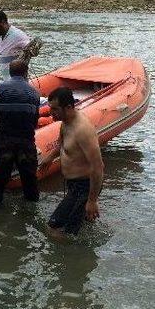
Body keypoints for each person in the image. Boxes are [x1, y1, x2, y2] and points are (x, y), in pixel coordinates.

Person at [42, 87, 104, 236]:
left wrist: (92, 200)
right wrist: (49, 158)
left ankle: (69, 256)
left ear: (68, 107)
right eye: (50, 108)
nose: (51, 112)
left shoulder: (82, 130)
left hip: (84, 187)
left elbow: (98, 167)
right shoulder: (65, 122)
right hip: (74, 185)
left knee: (55, 229)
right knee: (76, 227)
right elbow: (61, 143)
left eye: (55, 109)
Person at [0, 60, 40, 204]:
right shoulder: (34, 93)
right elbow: (34, 121)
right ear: (26, 73)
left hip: (3, 143)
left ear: (10, 72)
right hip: (26, 143)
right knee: (30, 184)